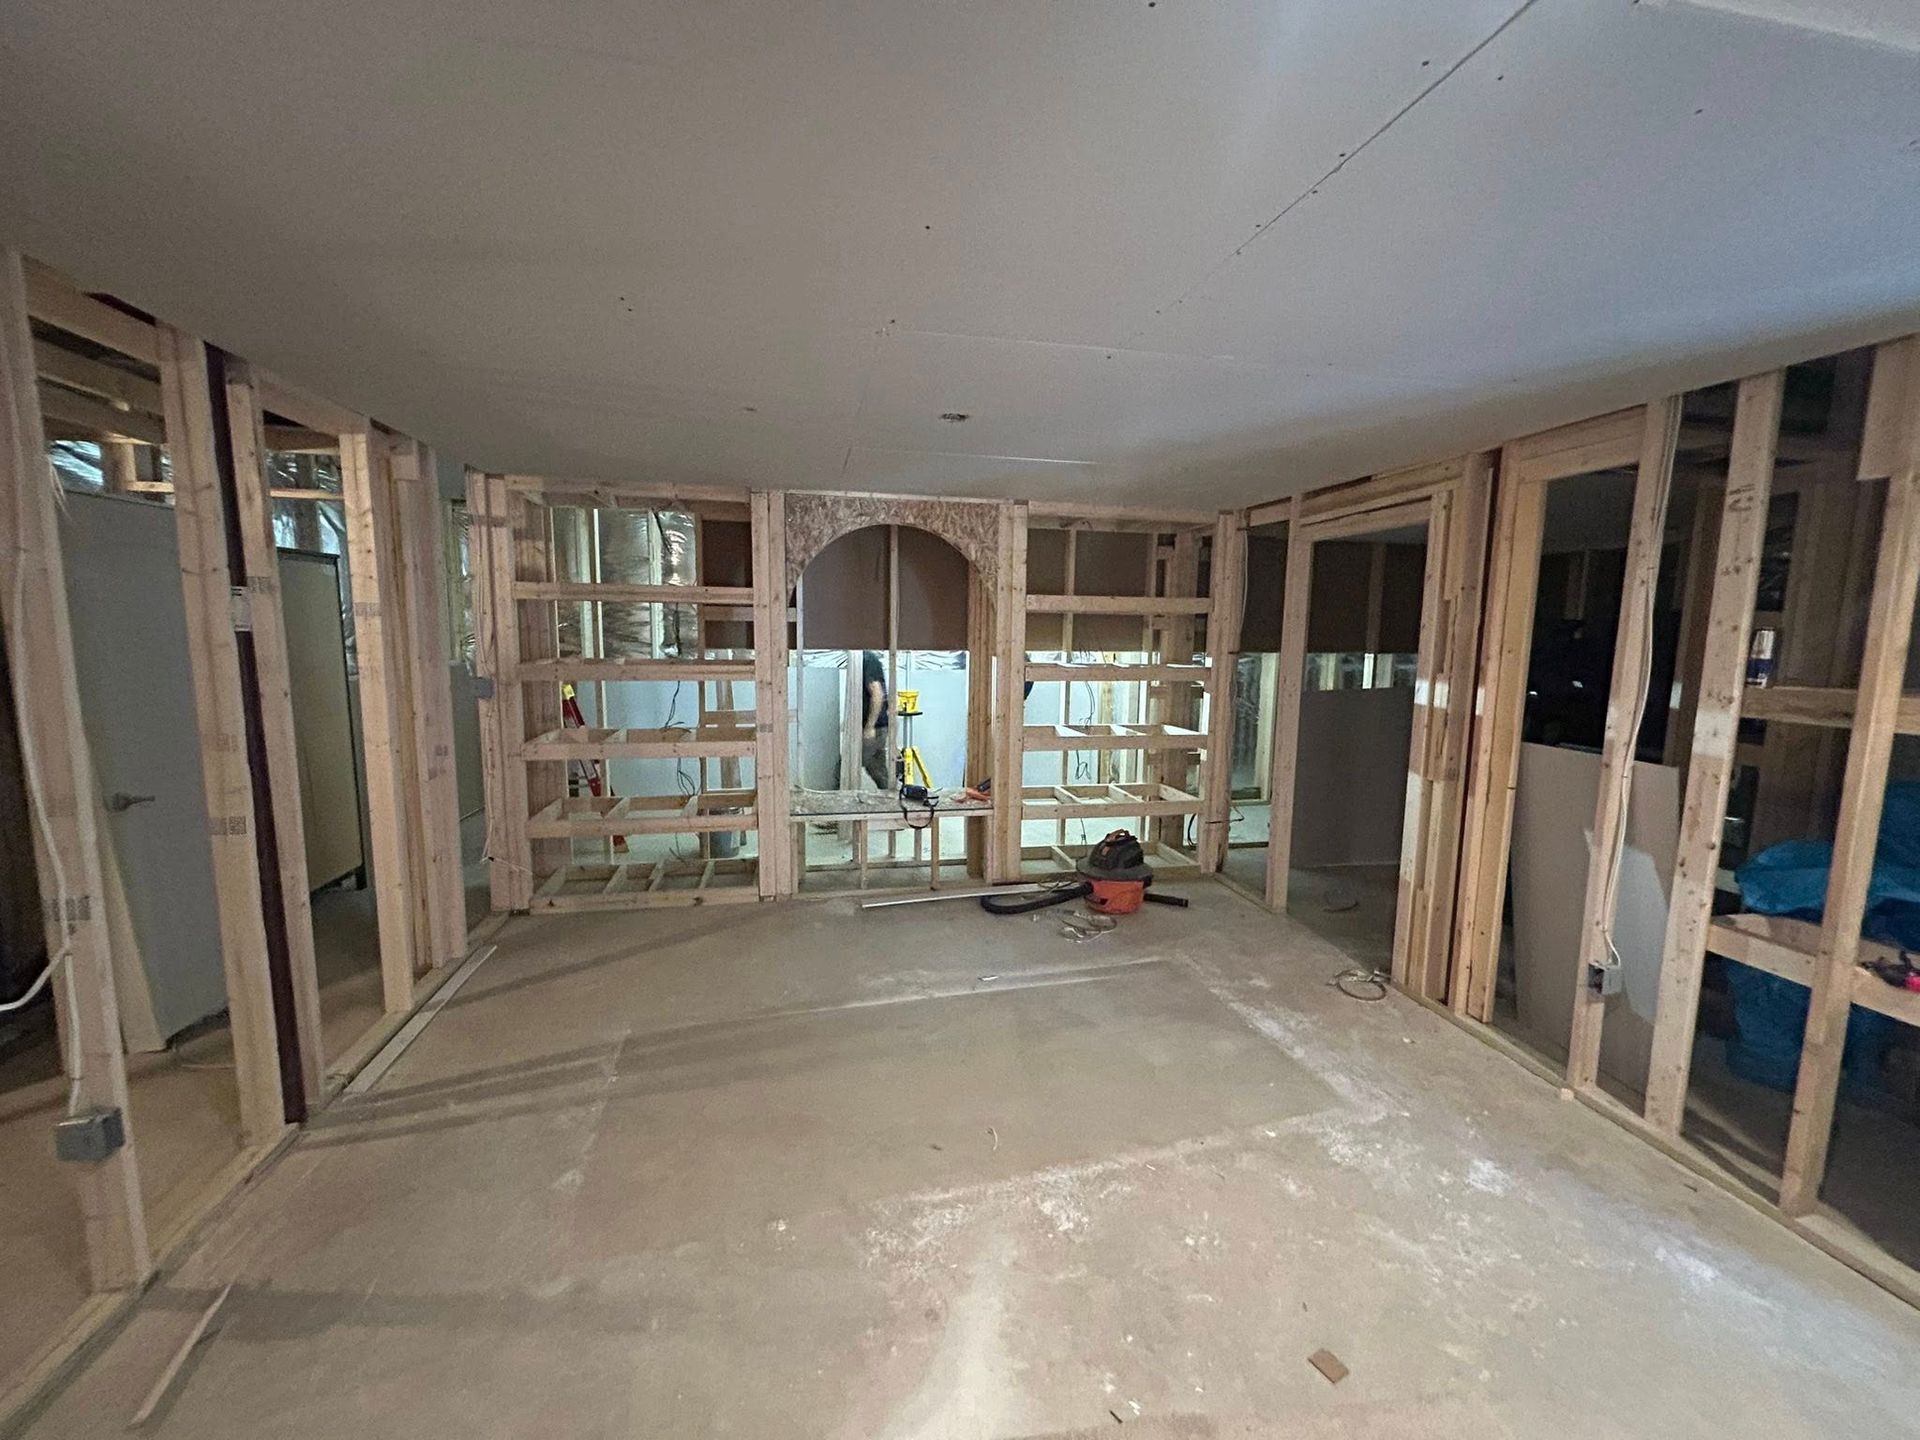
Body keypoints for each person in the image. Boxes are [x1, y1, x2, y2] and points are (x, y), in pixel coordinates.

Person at [859, 649, 893, 790]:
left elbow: (877, 694)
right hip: (877, 726)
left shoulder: (867, 659)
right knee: (879, 771)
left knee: (842, 769)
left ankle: (837, 808)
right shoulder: (865, 658)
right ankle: (892, 803)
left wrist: (870, 727)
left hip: (875, 728)